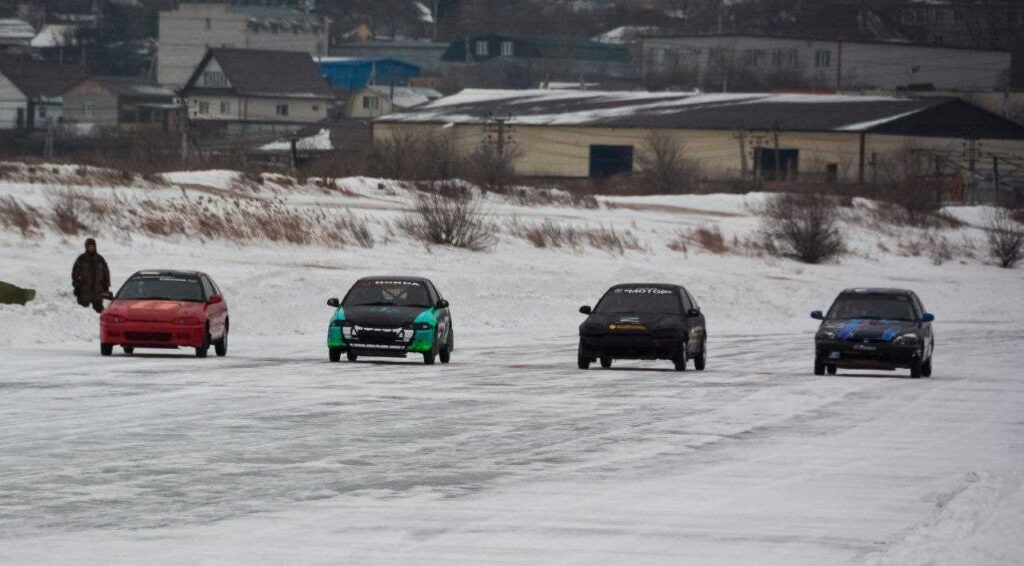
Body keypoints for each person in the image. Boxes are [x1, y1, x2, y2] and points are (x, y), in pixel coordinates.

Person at [72, 238, 110, 313]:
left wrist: (106, 285)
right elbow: (75, 273)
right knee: (83, 312)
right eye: (89, 246)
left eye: (92, 246)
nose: (91, 248)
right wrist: (76, 286)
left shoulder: (100, 259)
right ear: (86, 247)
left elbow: (106, 273)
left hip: (98, 292)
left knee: (100, 312)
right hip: (84, 292)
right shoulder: (81, 259)